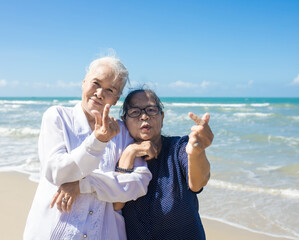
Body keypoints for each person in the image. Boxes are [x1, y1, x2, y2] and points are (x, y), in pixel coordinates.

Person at [23, 57, 152, 240]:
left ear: (116, 99)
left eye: (110, 90)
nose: (99, 93)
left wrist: (83, 184)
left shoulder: (122, 131)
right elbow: (56, 172)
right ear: (84, 83)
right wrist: (98, 142)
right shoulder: (58, 117)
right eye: (96, 83)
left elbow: (139, 183)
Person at [117, 88, 213, 240]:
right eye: (135, 111)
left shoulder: (179, 147)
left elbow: (198, 182)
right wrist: (131, 152)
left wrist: (197, 152)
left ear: (162, 117)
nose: (144, 116)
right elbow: (117, 201)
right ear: (124, 120)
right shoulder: (117, 153)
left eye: (151, 110)